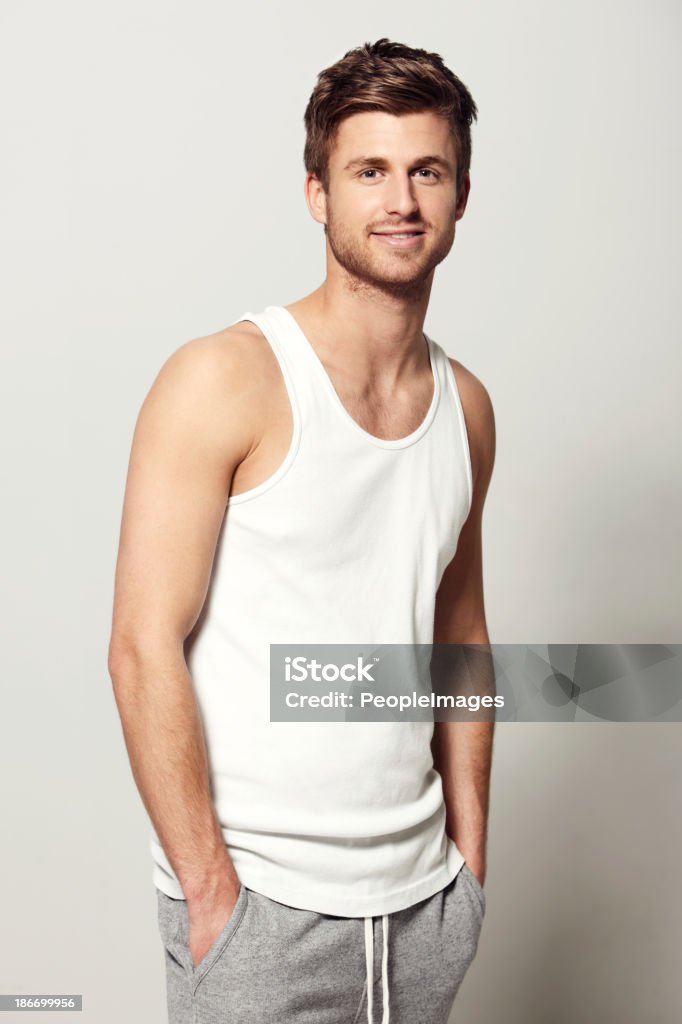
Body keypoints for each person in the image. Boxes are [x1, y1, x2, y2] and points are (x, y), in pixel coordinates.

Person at [108, 37, 496, 1024]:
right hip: (260, 913)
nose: (400, 199)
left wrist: (470, 863)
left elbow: (461, 641)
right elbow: (140, 647)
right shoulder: (222, 379)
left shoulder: (468, 408)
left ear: (458, 193)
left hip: (421, 909)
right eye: (368, 170)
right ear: (318, 193)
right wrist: (211, 897)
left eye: (426, 170)